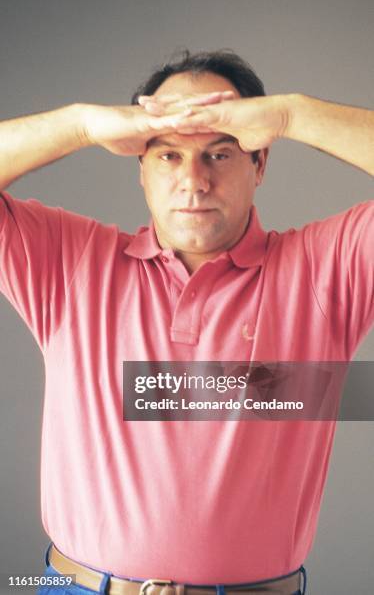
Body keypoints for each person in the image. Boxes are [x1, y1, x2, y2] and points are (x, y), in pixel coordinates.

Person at [0, 50, 373, 595]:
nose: (193, 181)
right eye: (168, 155)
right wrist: (83, 123)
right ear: (141, 168)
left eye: (219, 153)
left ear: (260, 162)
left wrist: (291, 115)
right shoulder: (72, 262)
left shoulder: (326, 269)